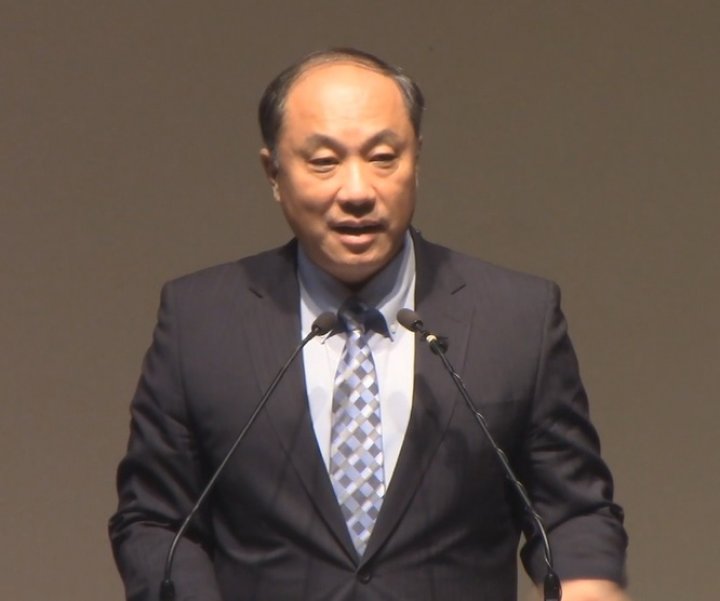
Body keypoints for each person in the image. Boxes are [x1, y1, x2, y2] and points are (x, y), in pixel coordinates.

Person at [110, 48, 629, 601]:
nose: (357, 192)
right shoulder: (201, 320)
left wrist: (586, 581)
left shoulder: (516, 317)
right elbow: (154, 521)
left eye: (383, 157)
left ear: (416, 160)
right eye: (324, 162)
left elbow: (572, 511)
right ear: (274, 173)